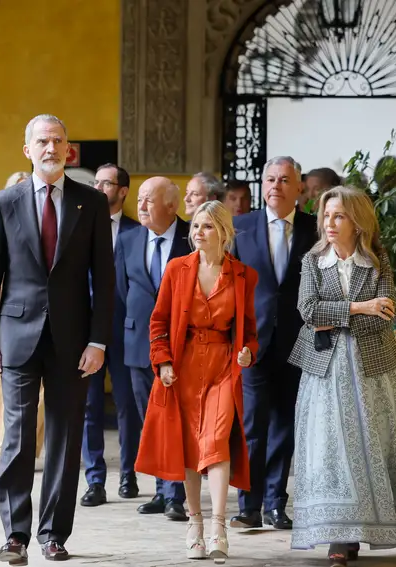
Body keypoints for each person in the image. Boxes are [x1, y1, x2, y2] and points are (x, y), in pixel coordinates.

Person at [0, 114, 114, 563]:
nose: (51, 148)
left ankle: (53, 533)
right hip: (17, 336)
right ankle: (15, 534)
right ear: (28, 149)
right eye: (42, 141)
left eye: (58, 141)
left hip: (74, 341)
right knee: (16, 439)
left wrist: (98, 341)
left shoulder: (89, 203)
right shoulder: (4, 201)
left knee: (65, 437)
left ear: (68, 149)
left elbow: (105, 279)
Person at [289, 186, 396, 566]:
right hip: (323, 370)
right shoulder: (312, 260)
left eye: (338, 216)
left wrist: (336, 316)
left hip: (370, 368)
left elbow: (384, 315)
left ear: (357, 222)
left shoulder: (377, 261)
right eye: (326, 216)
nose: (329, 223)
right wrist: (360, 306)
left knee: (370, 445)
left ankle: (362, 529)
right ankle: (337, 535)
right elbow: (308, 311)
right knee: (328, 449)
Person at [136, 200, 257, 562]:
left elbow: (249, 330)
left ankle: (219, 527)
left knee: (217, 441)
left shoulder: (243, 275)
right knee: (190, 447)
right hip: (184, 366)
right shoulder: (177, 269)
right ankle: (195, 525)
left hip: (222, 365)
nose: (198, 233)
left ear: (223, 231)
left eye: (206, 226)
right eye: (195, 226)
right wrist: (163, 362)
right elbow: (157, 323)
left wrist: (248, 352)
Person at [230, 156, 318, 530]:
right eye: (269, 180)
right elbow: (227, 286)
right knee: (251, 426)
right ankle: (248, 505)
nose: (276, 187)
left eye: (284, 180)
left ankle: (275, 503)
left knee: (286, 425)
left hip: (298, 342)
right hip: (251, 344)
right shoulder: (240, 227)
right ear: (261, 186)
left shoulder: (315, 230)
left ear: (299, 189)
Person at [114, 176, 191, 520]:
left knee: (179, 419)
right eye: (140, 199)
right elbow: (121, 289)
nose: (141, 206)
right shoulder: (129, 239)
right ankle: (162, 490)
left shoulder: (193, 237)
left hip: (183, 346)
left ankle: (177, 495)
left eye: (149, 200)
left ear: (172, 206)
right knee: (152, 420)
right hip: (138, 344)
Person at [0, 171, 47, 474]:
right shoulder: (2, 214)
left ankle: (26, 446)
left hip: (43, 320)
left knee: (39, 394)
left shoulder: (48, 223)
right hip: (6, 322)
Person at [80, 162, 141, 507]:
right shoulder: (81, 227)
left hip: (124, 331)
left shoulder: (135, 231)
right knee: (88, 406)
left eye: (107, 184)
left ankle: (129, 472)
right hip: (87, 332)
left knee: (126, 405)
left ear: (122, 191)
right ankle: (95, 479)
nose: (99, 189)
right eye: (96, 182)